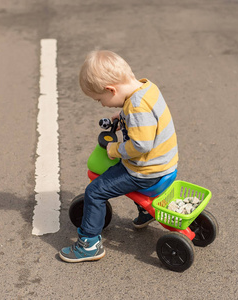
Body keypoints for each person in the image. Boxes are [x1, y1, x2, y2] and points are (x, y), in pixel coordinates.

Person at [59, 50, 178, 263]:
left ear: (111, 89)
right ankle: (146, 210)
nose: (102, 105)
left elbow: (141, 145)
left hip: (146, 171)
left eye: (100, 99)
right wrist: (124, 116)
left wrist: (115, 149)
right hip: (165, 164)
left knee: (95, 192)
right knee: (121, 172)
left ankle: (89, 245)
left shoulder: (136, 107)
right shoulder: (147, 89)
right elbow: (146, 117)